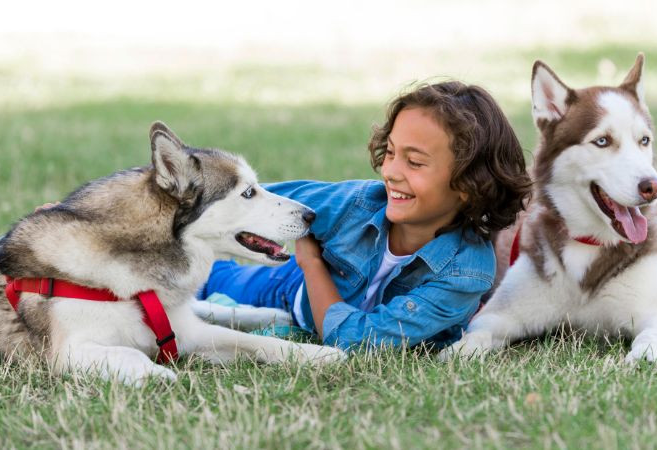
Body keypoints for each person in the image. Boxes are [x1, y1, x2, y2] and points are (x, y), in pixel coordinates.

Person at [200, 81, 531, 351]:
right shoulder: (358, 203)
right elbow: (253, 198)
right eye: (390, 152)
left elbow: (357, 341)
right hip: (286, 289)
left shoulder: (466, 272)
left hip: (306, 287)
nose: (391, 172)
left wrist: (312, 265)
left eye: (414, 162)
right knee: (210, 279)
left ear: (468, 185)